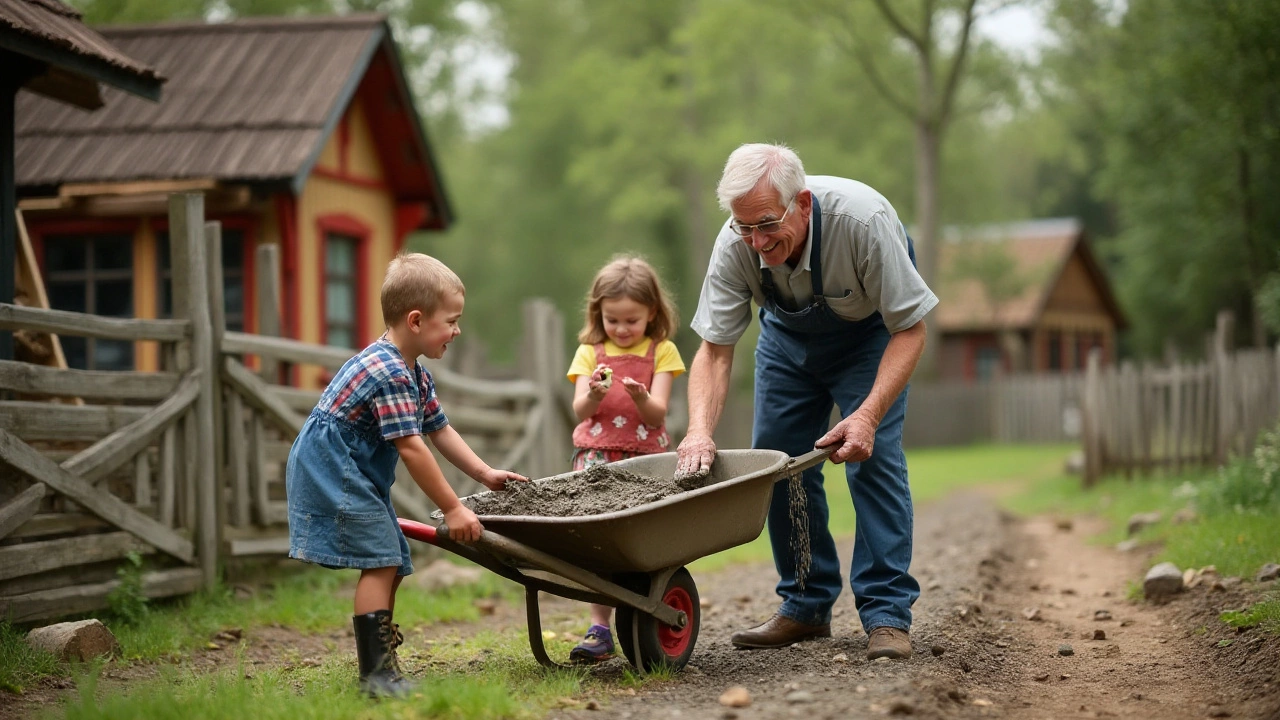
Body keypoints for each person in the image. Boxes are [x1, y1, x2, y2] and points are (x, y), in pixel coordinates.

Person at [675, 143, 937, 661]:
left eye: (767, 225)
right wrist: (698, 430)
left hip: (871, 339)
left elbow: (910, 329)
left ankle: (886, 614)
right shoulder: (735, 242)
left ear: (804, 204)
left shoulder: (862, 222)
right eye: (745, 228)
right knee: (778, 460)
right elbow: (715, 350)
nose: (757, 242)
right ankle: (805, 603)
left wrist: (865, 415)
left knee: (873, 457)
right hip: (787, 341)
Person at [286, 252, 527, 696]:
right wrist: (453, 508)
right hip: (332, 469)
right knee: (381, 560)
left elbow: (439, 430)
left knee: (391, 559)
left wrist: (485, 472)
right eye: (451, 321)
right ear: (416, 321)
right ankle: (376, 676)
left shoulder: (413, 373)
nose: (457, 330)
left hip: (350, 468)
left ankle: (382, 663)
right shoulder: (390, 373)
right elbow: (412, 448)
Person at [564, 255, 686, 664]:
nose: (621, 328)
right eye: (613, 319)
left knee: (638, 542)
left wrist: (641, 396)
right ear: (599, 313)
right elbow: (580, 410)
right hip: (595, 459)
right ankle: (599, 627)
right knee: (599, 542)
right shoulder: (589, 353)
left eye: (631, 320)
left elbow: (658, 414)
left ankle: (642, 608)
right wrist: (595, 394)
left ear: (652, 312)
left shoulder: (662, 352)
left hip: (644, 460)